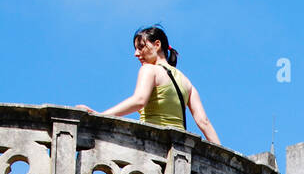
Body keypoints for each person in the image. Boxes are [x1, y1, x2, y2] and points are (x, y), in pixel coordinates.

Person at [76, 26, 220, 144]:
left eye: (141, 47)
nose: (136, 54)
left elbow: (139, 100)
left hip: (154, 145)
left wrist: (100, 116)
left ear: (157, 45)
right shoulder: (187, 82)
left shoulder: (150, 70)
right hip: (179, 151)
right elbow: (203, 121)